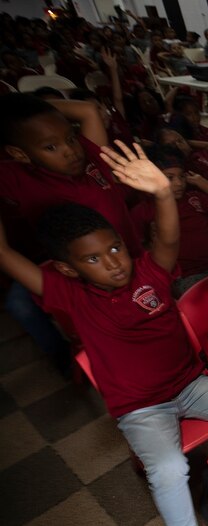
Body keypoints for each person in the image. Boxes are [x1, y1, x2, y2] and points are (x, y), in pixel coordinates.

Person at [0, 141, 208, 526]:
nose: (112, 261)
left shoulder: (150, 270)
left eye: (113, 248)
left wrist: (162, 193)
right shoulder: (71, 297)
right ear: (69, 269)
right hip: (141, 408)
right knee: (167, 470)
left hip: (189, 384)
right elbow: (6, 256)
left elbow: (166, 238)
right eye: (93, 259)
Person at [0, 94, 142, 372]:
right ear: (20, 154)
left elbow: (88, 109)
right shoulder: (17, 177)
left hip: (132, 260)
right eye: (51, 147)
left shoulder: (91, 156)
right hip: (85, 279)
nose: (70, 151)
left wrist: (20, 103)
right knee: (21, 304)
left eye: (70, 138)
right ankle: (66, 360)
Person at [134, 144, 208, 293]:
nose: (179, 183)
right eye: (170, 178)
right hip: (186, 276)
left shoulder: (192, 198)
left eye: (181, 176)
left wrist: (202, 182)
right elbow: (140, 249)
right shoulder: (144, 210)